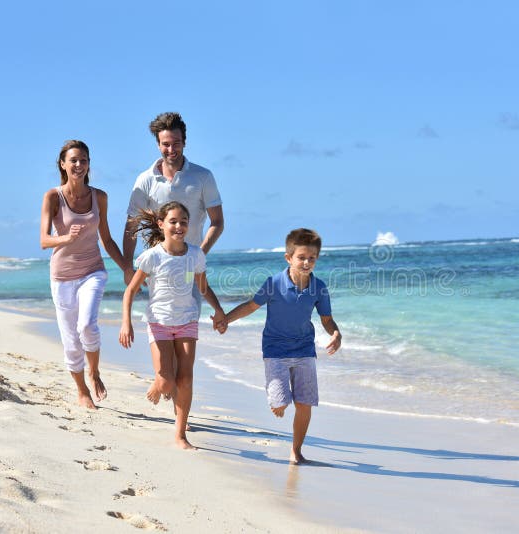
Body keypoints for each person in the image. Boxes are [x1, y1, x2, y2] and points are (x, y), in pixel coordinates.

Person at [219, 228, 342, 464]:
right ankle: (277, 400)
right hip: (275, 351)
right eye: (301, 257)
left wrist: (336, 333)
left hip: (305, 350)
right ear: (289, 258)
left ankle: (296, 452)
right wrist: (226, 319)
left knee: (305, 404)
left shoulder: (319, 288)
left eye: (312, 258)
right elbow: (251, 306)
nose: (306, 263)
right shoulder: (273, 283)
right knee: (281, 402)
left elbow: (326, 319)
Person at [119, 201, 226, 450]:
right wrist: (126, 323)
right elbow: (131, 291)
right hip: (159, 324)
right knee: (167, 383)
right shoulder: (152, 257)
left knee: (185, 380)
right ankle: (159, 384)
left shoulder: (195, 255)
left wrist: (219, 310)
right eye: (173, 222)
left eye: (184, 222)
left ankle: (180, 435)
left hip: (187, 321)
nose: (179, 226)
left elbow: (203, 287)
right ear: (161, 225)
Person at [40, 140, 128, 409]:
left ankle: (95, 371)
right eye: (74, 160)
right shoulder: (53, 197)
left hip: (93, 270)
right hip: (62, 276)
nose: (79, 165)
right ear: (63, 164)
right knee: (70, 340)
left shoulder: (99, 196)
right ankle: (82, 391)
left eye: (84, 160)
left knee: (87, 325)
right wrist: (65, 238)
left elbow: (107, 240)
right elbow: (44, 240)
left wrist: (128, 268)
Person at [123, 111, 224, 287]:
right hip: (157, 267)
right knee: (160, 313)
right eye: (166, 144)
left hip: (191, 269)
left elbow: (217, 222)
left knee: (190, 312)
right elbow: (132, 226)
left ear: (184, 142)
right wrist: (127, 267)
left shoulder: (202, 176)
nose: (171, 150)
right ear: (158, 145)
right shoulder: (145, 179)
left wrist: (197, 256)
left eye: (176, 143)